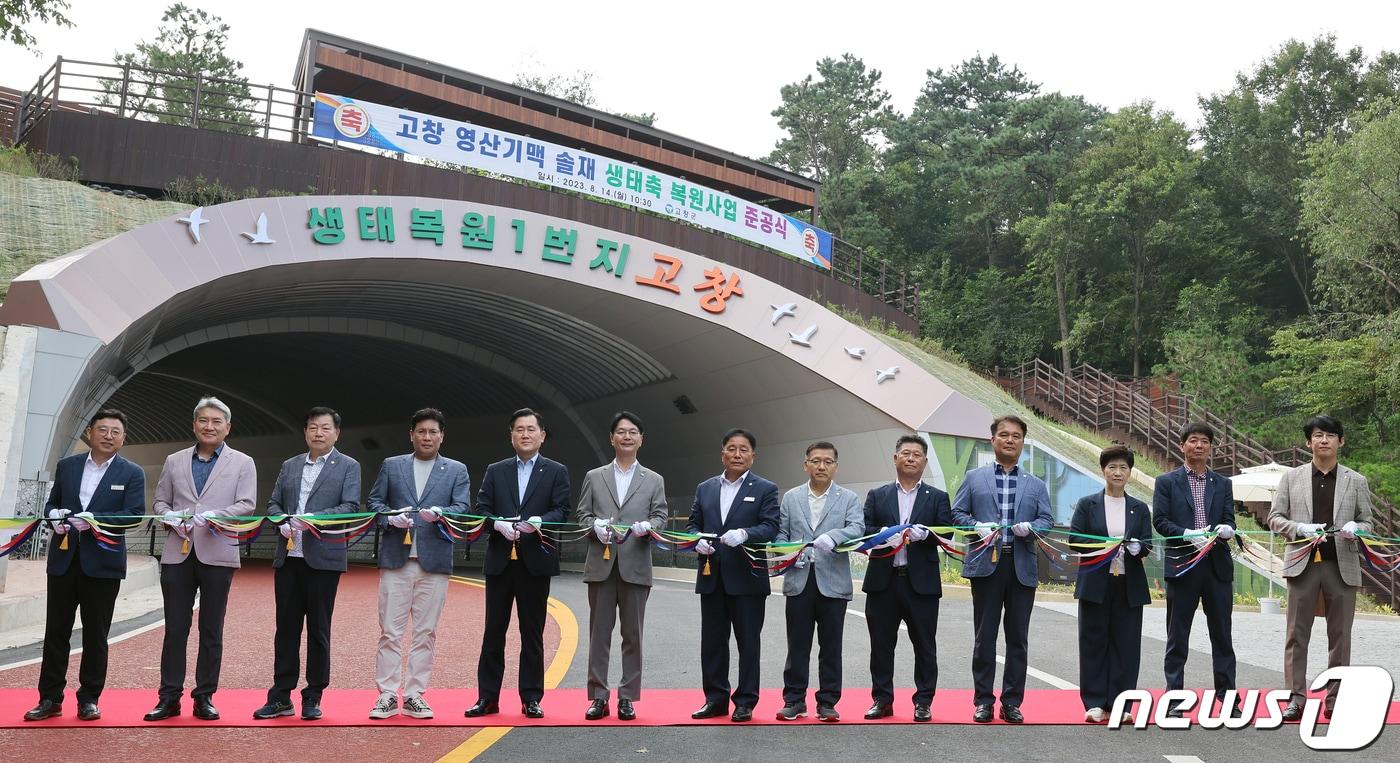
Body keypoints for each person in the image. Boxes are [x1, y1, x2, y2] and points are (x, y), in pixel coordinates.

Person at [24, 409, 145, 723]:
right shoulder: (68, 466)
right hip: (64, 561)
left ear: (123, 438)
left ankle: (89, 698)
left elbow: (134, 515)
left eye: (115, 431)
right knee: (56, 633)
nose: (108, 435)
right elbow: (51, 504)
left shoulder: (132, 473)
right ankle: (49, 698)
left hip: (104, 565)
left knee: (96, 634)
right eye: (102, 429)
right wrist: (55, 518)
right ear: (90, 432)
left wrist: (96, 522)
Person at [144, 397, 257, 722]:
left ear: (227, 427)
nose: (210, 426)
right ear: (194, 425)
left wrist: (213, 516)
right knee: (175, 629)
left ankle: (204, 696)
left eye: (216, 422)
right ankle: (169, 697)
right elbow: (161, 501)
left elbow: (247, 503)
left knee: (211, 629)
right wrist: (171, 517)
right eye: (203, 421)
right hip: (177, 553)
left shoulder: (242, 462)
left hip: (218, 551)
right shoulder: (174, 460)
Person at [253, 407, 362, 721]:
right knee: (285, 630)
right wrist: (281, 520)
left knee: (318, 630)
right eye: (313, 427)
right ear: (305, 432)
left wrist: (314, 521)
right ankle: (280, 696)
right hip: (288, 557)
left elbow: (350, 506)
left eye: (325, 428)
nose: (319, 433)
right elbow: (274, 502)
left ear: (336, 433)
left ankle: (313, 695)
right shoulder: (290, 465)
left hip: (323, 558)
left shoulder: (348, 466)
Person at [1267, 414, 1374, 721]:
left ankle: (1335, 699)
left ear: (1341, 441)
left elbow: (1368, 521)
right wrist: (1298, 527)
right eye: (1317, 435)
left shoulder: (1356, 480)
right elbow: (1275, 518)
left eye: (1330, 435)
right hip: (1303, 563)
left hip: (1341, 564)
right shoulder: (1291, 478)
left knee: (1340, 636)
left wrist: (1358, 527)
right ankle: (1295, 698)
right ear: (1308, 442)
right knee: (1296, 634)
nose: (1323, 440)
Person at [467, 407, 571, 720]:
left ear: (542, 436)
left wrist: (541, 521)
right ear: (511, 435)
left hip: (535, 560)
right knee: (493, 632)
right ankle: (487, 697)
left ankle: (531, 697)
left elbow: (562, 510)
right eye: (519, 429)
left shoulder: (556, 471)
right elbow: (481, 509)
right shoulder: (496, 470)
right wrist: (496, 522)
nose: (525, 435)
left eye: (530, 429)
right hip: (501, 559)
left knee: (532, 633)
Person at [367, 408, 471, 720]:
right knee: (390, 630)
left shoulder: (455, 470)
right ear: (411, 434)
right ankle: (387, 694)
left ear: (442, 436)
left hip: (435, 560)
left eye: (433, 432)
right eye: (421, 431)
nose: (427, 437)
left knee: (426, 631)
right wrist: (390, 518)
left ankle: (414, 694)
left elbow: (463, 507)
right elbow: (374, 503)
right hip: (396, 559)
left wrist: (441, 514)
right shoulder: (392, 466)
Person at [952, 414, 1052, 724]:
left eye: (1016, 436)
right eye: (1004, 435)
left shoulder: (1035, 484)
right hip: (986, 564)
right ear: (993, 440)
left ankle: (1012, 702)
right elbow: (956, 514)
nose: (1010, 440)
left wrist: (1031, 528)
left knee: (1018, 638)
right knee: (985, 636)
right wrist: (976, 526)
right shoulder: (973, 478)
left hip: (1020, 564)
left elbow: (1047, 521)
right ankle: (983, 701)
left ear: (1023, 442)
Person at [575, 412, 669, 721]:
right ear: (611, 438)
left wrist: (648, 527)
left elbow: (661, 517)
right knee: (598, 634)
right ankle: (598, 696)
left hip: (636, 564)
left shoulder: (654, 479)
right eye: (621, 432)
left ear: (641, 439)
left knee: (633, 635)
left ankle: (628, 696)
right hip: (601, 564)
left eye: (632, 432)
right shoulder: (595, 476)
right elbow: (582, 515)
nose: (626, 437)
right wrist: (595, 527)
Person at [686, 428, 780, 723]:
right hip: (712, 575)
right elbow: (692, 524)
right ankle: (715, 699)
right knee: (712, 642)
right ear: (722, 453)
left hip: (748, 579)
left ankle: (746, 701)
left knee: (748, 643)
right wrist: (695, 540)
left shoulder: (766, 489)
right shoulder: (706, 488)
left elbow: (771, 527)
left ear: (753, 456)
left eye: (743, 449)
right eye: (731, 448)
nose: (737, 454)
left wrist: (746, 534)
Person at [861, 434, 952, 723]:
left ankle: (923, 701)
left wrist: (927, 534)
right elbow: (865, 530)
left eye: (917, 455)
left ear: (925, 462)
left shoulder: (937, 497)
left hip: (921, 584)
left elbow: (947, 533)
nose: (911, 458)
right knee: (881, 645)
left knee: (925, 645)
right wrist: (884, 535)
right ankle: (882, 699)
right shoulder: (878, 495)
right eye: (906, 453)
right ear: (895, 458)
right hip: (883, 581)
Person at [1152, 422, 1238, 717]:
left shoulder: (1223, 484)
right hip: (1183, 565)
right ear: (1182, 446)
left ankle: (1227, 699)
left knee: (1223, 636)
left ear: (1210, 448)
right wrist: (1186, 532)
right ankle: (1174, 699)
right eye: (1193, 441)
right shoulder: (1166, 482)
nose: (1198, 446)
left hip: (1216, 567)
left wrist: (1227, 529)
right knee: (1177, 636)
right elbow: (1160, 521)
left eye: (1204, 441)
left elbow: (1230, 520)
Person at [775, 441, 863, 722]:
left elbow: (857, 528)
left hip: (833, 582)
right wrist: (789, 552)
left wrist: (834, 537)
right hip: (799, 579)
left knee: (831, 646)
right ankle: (794, 700)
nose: (821, 466)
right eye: (815, 461)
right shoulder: (791, 497)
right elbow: (780, 535)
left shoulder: (848, 498)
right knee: (797, 645)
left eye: (827, 461)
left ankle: (827, 702)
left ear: (836, 466)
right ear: (805, 465)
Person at [1071, 445, 1153, 724]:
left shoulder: (1139, 508)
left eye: (1123, 468)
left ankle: (1121, 702)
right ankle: (1094, 702)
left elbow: (1148, 544)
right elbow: (1075, 540)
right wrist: (1105, 546)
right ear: (1103, 470)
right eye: (1112, 467)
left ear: (1130, 472)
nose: (1118, 473)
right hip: (1096, 581)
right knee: (1093, 641)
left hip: (1128, 584)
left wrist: (1136, 547)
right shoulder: (1087, 504)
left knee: (1126, 644)